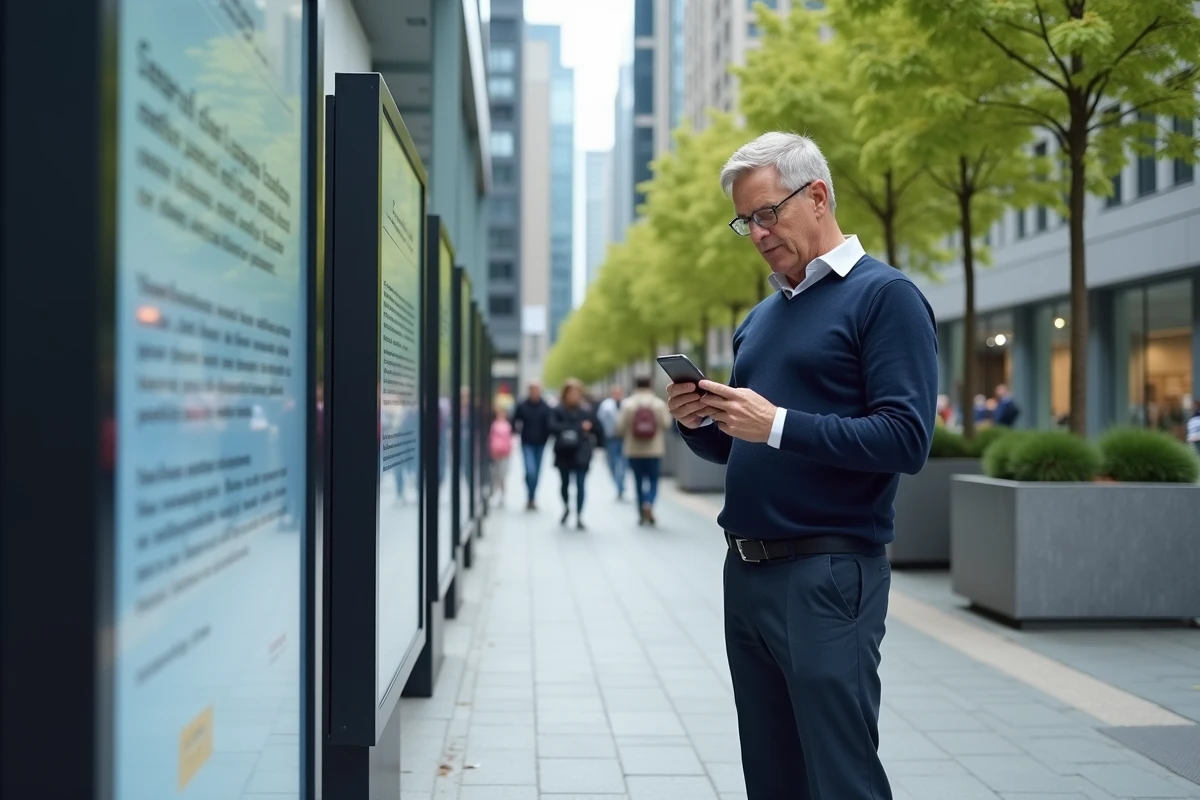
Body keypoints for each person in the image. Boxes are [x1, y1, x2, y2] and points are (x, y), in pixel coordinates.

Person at [665, 132, 937, 800]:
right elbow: (739, 444)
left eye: (767, 214)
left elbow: (906, 439)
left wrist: (778, 424)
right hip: (747, 574)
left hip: (828, 572)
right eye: (745, 222)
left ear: (817, 196)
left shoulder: (886, 297)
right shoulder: (760, 319)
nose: (756, 234)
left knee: (840, 777)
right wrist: (699, 421)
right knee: (773, 775)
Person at [617, 375, 672, 525]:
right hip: (654, 449)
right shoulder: (658, 404)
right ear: (651, 385)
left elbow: (620, 427)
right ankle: (649, 503)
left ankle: (641, 512)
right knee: (653, 479)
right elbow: (666, 424)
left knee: (638, 481)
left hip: (633, 449)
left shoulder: (628, 404)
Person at [550, 378, 603, 529]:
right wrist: (578, 428)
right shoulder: (558, 410)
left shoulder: (586, 411)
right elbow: (552, 426)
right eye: (571, 393)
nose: (574, 396)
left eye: (577, 393)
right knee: (565, 484)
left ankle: (579, 514)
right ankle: (567, 506)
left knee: (581, 484)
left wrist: (591, 431)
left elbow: (597, 428)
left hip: (582, 452)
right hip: (564, 452)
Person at [511, 381, 553, 510]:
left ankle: (532, 497)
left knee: (537, 471)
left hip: (541, 443)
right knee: (531, 471)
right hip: (527, 442)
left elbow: (550, 424)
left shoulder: (545, 407)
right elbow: (514, 421)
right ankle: (530, 495)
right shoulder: (522, 405)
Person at [596, 384, 628, 499]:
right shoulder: (606, 405)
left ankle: (621, 485)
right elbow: (600, 420)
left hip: (624, 438)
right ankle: (618, 484)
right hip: (611, 439)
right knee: (612, 463)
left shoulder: (626, 404)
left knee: (624, 464)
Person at [488, 406, 514, 500]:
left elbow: (510, 440)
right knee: (496, 473)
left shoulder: (507, 425)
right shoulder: (494, 425)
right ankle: (497, 491)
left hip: (504, 452)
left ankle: (501, 492)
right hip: (496, 452)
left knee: (502, 473)